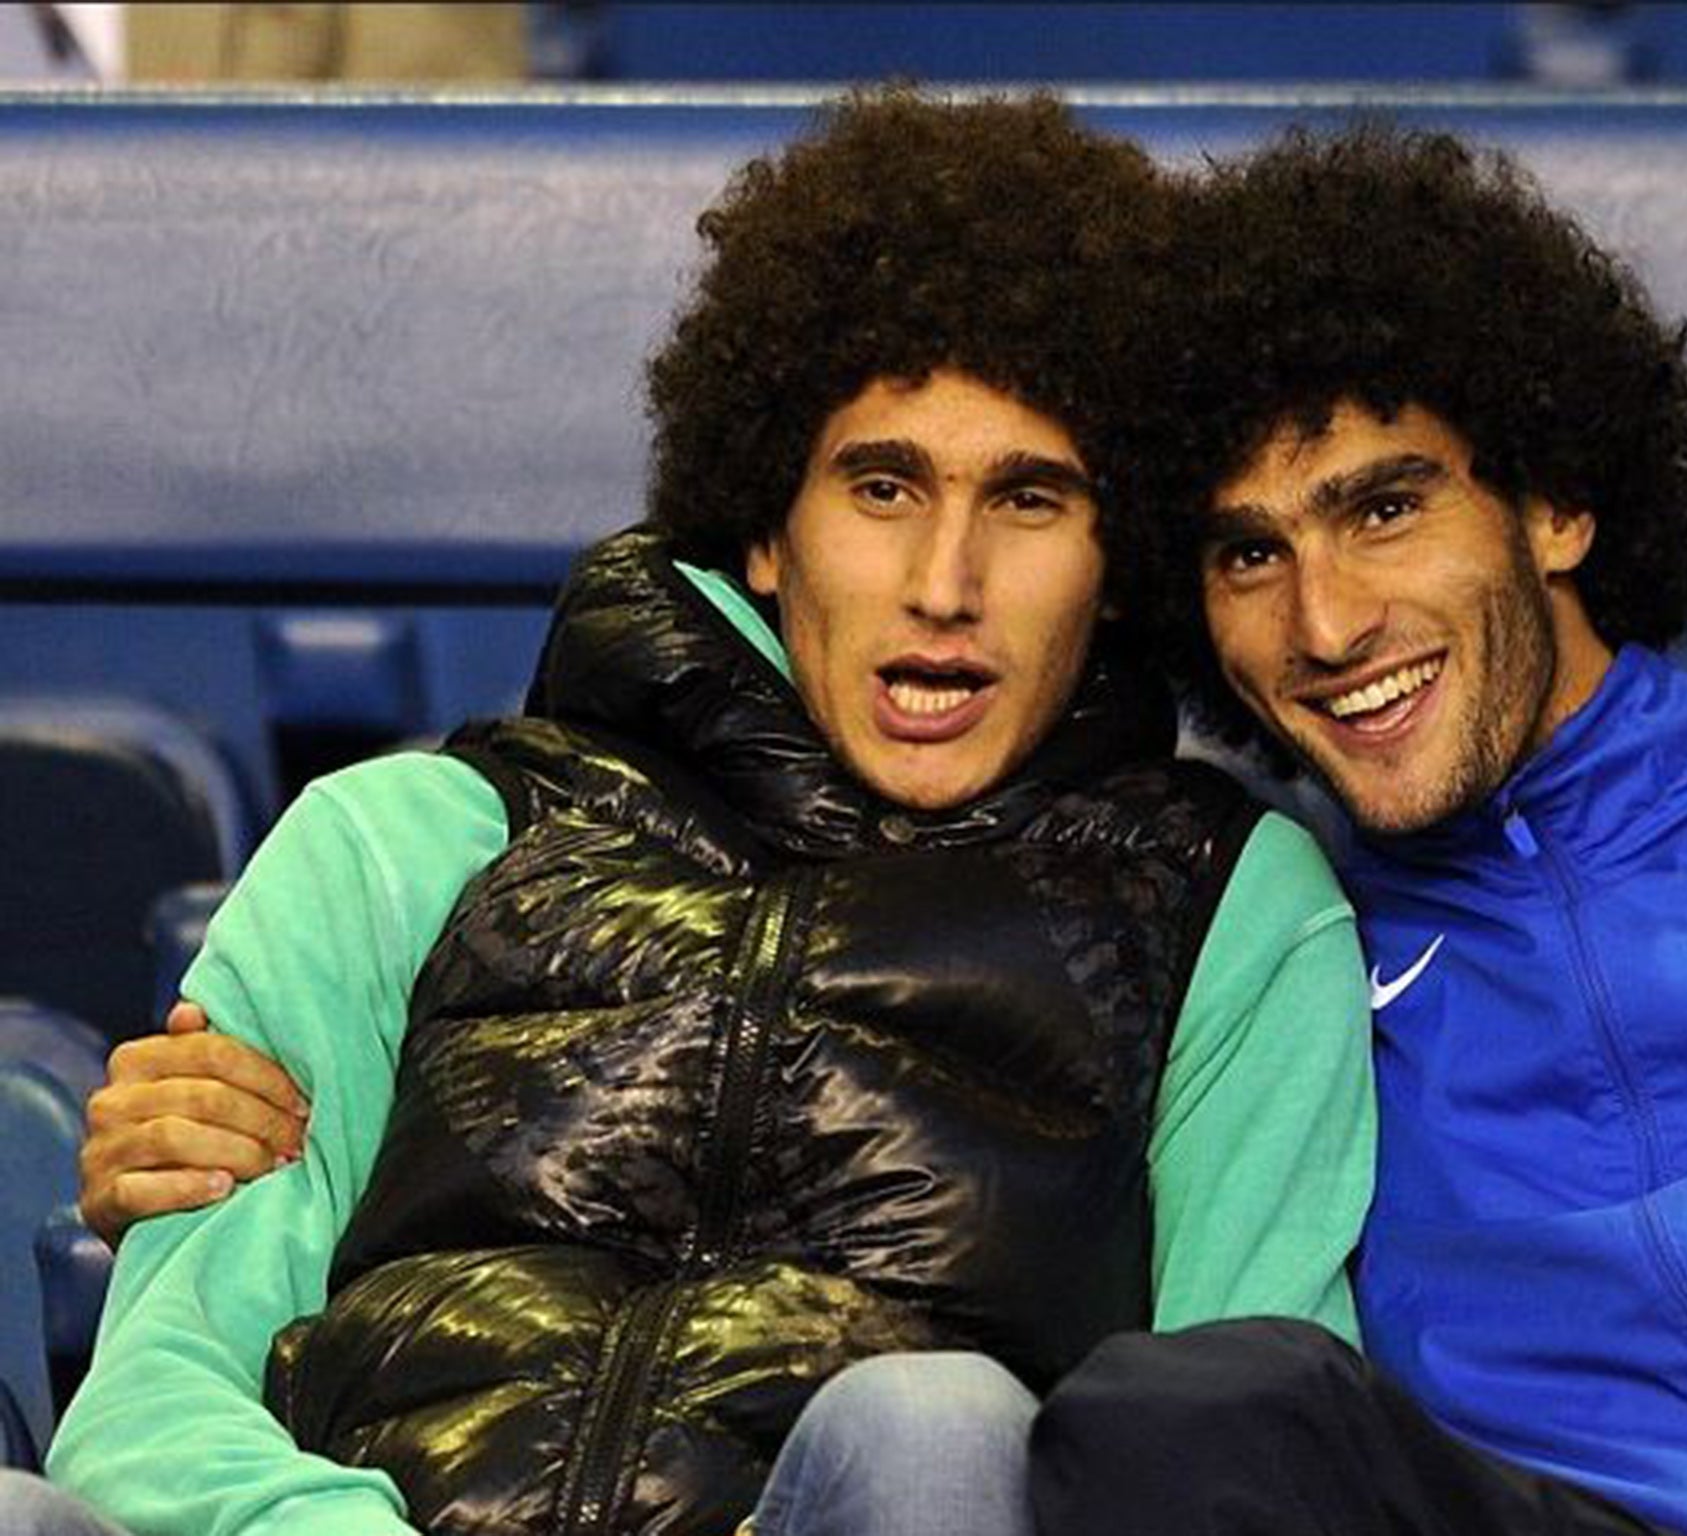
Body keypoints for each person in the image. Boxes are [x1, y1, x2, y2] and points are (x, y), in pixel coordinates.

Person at [22, 93, 1374, 1536]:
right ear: (765, 530)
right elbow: (152, 1403)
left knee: (932, 1426)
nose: (944, 582)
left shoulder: (1227, 904)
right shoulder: (400, 841)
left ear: (1121, 559)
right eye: (881, 485)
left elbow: (1241, 1462)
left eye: (1030, 501)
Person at [1029, 121, 1687, 1535]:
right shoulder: (1254, 950)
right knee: (1191, 1414)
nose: (1324, 624)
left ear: (1555, 504)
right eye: (1249, 554)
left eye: (1384, 507)